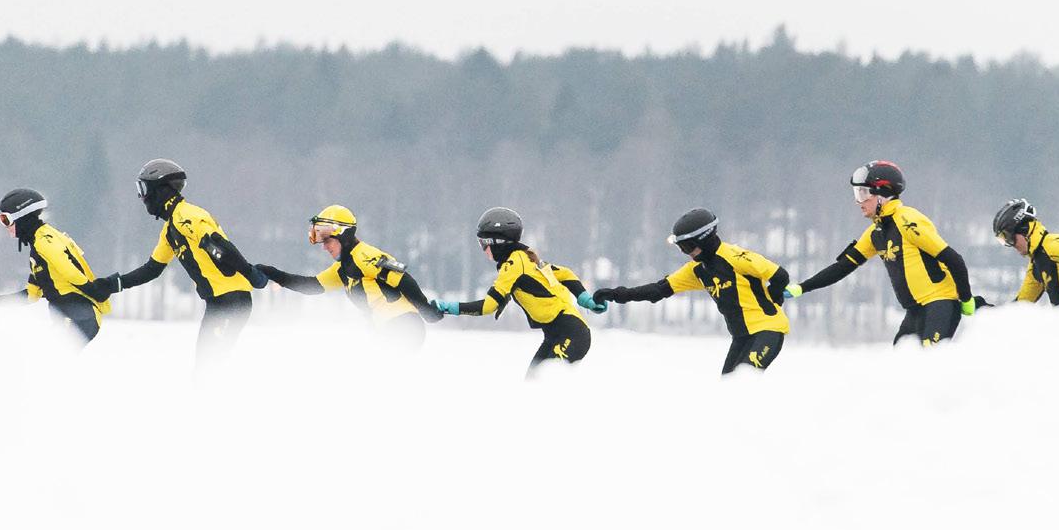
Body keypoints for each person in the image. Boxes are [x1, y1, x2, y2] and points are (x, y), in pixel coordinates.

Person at [96, 160, 268, 364]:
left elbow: (219, 246)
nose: (141, 197)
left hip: (231, 300)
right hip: (218, 302)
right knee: (207, 366)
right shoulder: (170, 230)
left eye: (143, 189)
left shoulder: (187, 217)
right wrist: (113, 284)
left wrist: (250, 273)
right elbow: (152, 269)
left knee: (209, 366)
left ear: (160, 190)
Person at [786, 161, 975, 346]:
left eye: (863, 193)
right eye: (857, 193)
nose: (858, 201)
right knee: (900, 362)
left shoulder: (908, 221)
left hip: (940, 303)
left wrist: (966, 299)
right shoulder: (875, 232)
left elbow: (953, 259)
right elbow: (842, 267)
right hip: (914, 310)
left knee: (927, 362)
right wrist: (801, 288)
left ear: (883, 195)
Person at [590, 208, 792, 374]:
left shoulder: (736, 257)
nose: (685, 253)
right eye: (681, 248)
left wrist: (774, 300)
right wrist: (616, 294)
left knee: (744, 382)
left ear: (705, 240)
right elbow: (658, 291)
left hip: (768, 330)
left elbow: (780, 276)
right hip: (741, 336)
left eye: (687, 247)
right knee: (728, 391)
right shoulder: (697, 270)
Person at [429, 207, 595, 371]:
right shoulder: (526, 256)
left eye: (483, 243)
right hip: (557, 334)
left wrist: (448, 307)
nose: (483, 250)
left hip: (571, 334)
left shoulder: (514, 265)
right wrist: (585, 299)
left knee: (545, 382)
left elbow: (488, 306)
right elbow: (565, 274)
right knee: (533, 383)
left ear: (497, 243)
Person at [254, 205, 442, 341]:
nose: (324, 247)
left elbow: (404, 280)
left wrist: (426, 310)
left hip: (403, 326)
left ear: (343, 236)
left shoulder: (364, 255)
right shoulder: (343, 268)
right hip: (386, 330)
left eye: (327, 241)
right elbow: (311, 286)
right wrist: (273, 273)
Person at [0, 188, 112, 341]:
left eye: (5, 219)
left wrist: (97, 292)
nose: (5, 226)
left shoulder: (44, 241)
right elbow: (31, 295)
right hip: (72, 317)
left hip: (79, 316)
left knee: (49, 354)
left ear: (22, 218)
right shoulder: (38, 246)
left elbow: (71, 273)